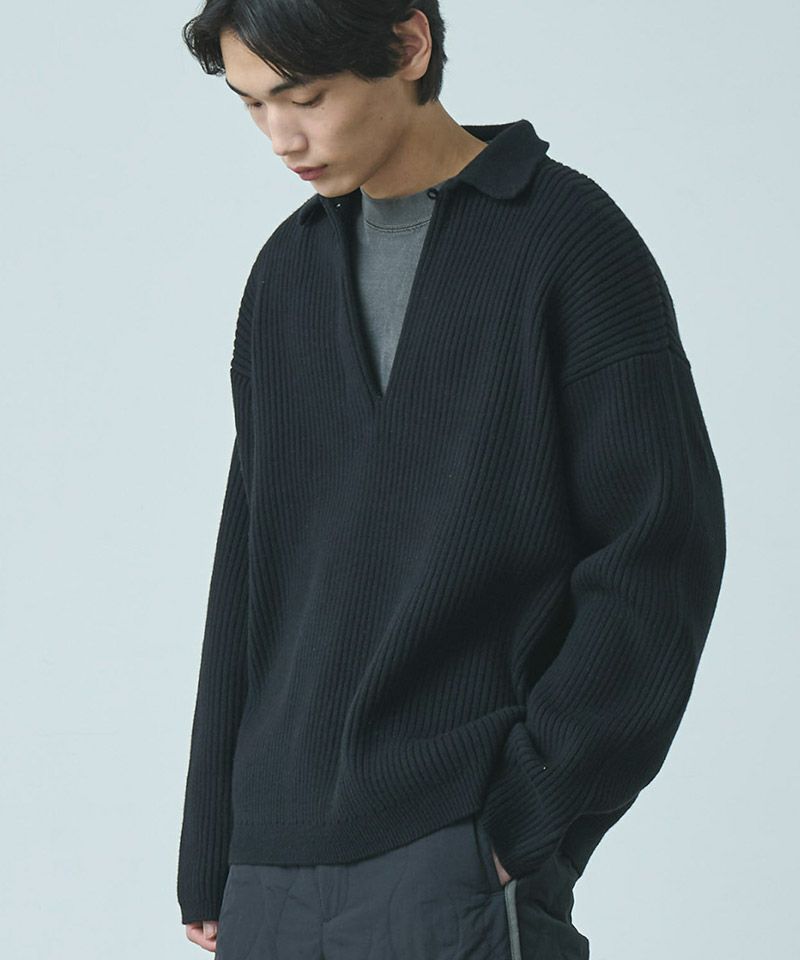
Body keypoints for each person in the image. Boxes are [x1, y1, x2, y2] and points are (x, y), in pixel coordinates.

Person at [176, 2, 727, 956]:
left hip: (453, 850)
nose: (280, 138)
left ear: (408, 45)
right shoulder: (285, 275)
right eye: (253, 105)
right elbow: (251, 568)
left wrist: (531, 812)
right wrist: (210, 847)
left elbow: (657, 549)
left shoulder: (566, 239)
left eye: (305, 98)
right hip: (268, 869)